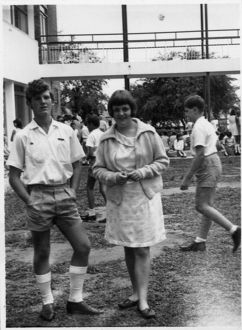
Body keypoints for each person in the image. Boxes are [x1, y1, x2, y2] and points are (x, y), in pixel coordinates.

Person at [6, 79, 101, 321]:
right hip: (38, 195)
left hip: (64, 194)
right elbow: (14, 176)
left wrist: (72, 190)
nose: (43, 102)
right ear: (30, 103)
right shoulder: (23, 135)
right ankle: (47, 302)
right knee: (42, 251)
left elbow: (77, 162)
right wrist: (29, 201)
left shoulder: (66, 131)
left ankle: (75, 299)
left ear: (52, 100)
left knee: (83, 246)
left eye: (47, 97)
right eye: (38, 99)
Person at [93, 89, 169, 319]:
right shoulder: (106, 138)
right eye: (116, 110)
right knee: (128, 245)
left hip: (144, 197)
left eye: (125, 108)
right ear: (112, 113)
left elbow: (163, 160)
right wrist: (114, 177)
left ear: (131, 109)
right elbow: (97, 169)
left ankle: (143, 300)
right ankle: (135, 293)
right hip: (120, 198)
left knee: (143, 247)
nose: (121, 113)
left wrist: (144, 171)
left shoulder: (148, 132)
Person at [180, 95, 241, 252]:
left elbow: (200, 154)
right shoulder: (206, 124)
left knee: (201, 205)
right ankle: (200, 241)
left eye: (187, 111)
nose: (186, 114)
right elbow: (218, 145)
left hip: (208, 163)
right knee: (207, 205)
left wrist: (187, 178)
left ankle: (234, 229)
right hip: (212, 163)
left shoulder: (199, 127)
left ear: (195, 110)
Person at [82, 114, 107, 222]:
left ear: (91, 124)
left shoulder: (92, 135)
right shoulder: (103, 134)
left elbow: (91, 152)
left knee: (89, 187)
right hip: (104, 163)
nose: (87, 127)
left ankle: (92, 212)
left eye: (88, 125)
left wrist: (85, 158)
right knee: (103, 188)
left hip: (94, 163)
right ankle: (111, 209)